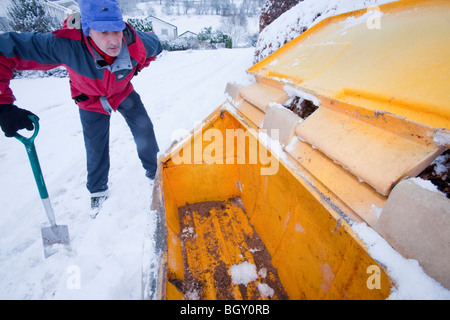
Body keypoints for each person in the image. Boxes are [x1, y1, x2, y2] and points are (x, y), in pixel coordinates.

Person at [0, 0, 162, 214]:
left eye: (117, 30)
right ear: (87, 30)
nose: (114, 40)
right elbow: (4, 50)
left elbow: (156, 46)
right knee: (95, 146)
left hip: (122, 92)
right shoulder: (65, 45)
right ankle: (98, 192)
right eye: (103, 32)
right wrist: (3, 105)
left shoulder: (136, 42)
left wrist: (137, 67)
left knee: (144, 129)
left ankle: (155, 173)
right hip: (90, 98)